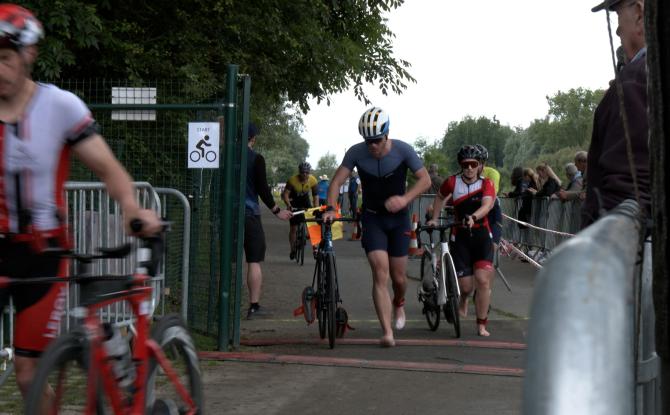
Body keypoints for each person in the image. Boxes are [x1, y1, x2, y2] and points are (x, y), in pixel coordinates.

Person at [0, 3, 161, 398]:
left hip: (44, 254)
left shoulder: (59, 106)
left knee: (27, 373)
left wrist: (130, 207)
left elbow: (108, 170)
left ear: (29, 55)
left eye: (5, 58)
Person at [323, 107, 430, 347]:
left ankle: (399, 303)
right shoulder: (356, 153)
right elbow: (336, 182)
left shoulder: (403, 150)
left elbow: (425, 180)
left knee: (399, 277)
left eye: (376, 141)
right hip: (373, 219)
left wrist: (405, 199)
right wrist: (331, 208)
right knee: (380, 273)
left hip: (399, 219)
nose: (372, 146)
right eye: (368, 141)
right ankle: (387, 331)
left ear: (387, 135)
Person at [582, 0, 650, 228]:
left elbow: (628, 191)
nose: (618, 30)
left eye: (618, 17)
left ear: (640, 15)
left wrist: (597, 253)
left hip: (638, 252)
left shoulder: (634, 81)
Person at [427, 145, 495, 337]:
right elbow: (439, 197)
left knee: (482, 281)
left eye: (474, 164)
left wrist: (473, 217)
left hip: (481, 237)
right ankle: (463, 298)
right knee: (465, 286)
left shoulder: (486, 183)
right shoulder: (451, 182)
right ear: (461, 165)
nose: (470, 168)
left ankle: (481, 324)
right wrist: (435, 217)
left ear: (480, 165)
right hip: (460, 238)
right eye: (466, 165)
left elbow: (487, 205)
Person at [244, 123, 292, 319]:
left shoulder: (223, 156)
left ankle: (221, 306)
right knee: (253, 261)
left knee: (226, 260)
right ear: (252, 139)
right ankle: (254, 306)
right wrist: (277, 211)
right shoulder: (256, 159)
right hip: (249, 214)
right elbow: (263, 189)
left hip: (226, 215)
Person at [282, 161, 318, 259]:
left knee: (312, 226)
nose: (305, 174)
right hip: (294, 202)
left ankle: (315, 249)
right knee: (293, 228)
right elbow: (285, 195)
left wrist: (316, 208)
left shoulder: (313, 180)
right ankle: (292, 249)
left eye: (307, 172)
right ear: (299, 172)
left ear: (309, 172)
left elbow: (315, 196)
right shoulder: (292, 180)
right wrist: (288, 205)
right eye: (303, 172)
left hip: (305, 202)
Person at [475, 144, 502, 248]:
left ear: (484, 163)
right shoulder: (465, 174)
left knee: (492, 244)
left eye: (479, 162)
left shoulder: (492, 173)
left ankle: (493, 247)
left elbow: (491, 197)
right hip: (474, 208)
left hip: (491, 208)